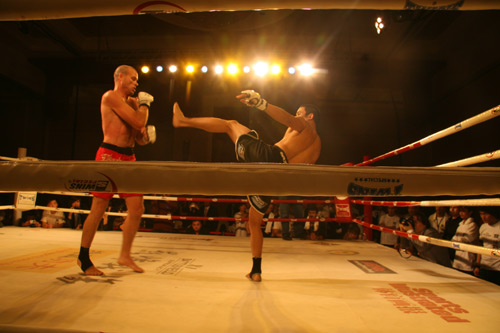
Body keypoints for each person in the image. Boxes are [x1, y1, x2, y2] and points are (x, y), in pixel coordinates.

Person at [172, 90, 321, 281]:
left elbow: (287, 119)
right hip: (276, 180)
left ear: (310, 116)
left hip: (269, 158)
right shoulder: (317, 148)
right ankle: (256, 270)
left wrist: (262, 104)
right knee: (254, 222)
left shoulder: (306, 126)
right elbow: (302, 173)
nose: (297, 115)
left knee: (230, 124)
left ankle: (183, 121)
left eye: (300, 112)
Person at [77, 65, 155, 276]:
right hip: (108, 155)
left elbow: (138, 134)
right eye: (133, 78)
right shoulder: (110, 97)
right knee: (98, 208)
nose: (136, 83)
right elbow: (139, 120)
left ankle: (125, 255)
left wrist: (144, 136)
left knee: (137, 209)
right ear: (120, 77)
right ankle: (83, 258)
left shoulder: (131, 103)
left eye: (137, 79)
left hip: (128, 156)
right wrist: (145, 105)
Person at [474, 206, 500, 285]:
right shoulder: (483, 227)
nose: (483, 217)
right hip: (485, 266)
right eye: (481, 214)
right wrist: (478, 265)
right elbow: (481, 246)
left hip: (498, 268)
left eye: (485, 214)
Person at [451, 206, 479, 274]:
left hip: (467, 257)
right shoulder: (460, 224)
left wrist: (457, 239)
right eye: (460, 211)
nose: (461, 213)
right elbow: (453, 239)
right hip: (458, 255)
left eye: (463, 211)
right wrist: (456, 239)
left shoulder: (473, 225)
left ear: (470, 212)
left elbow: (467, 239)